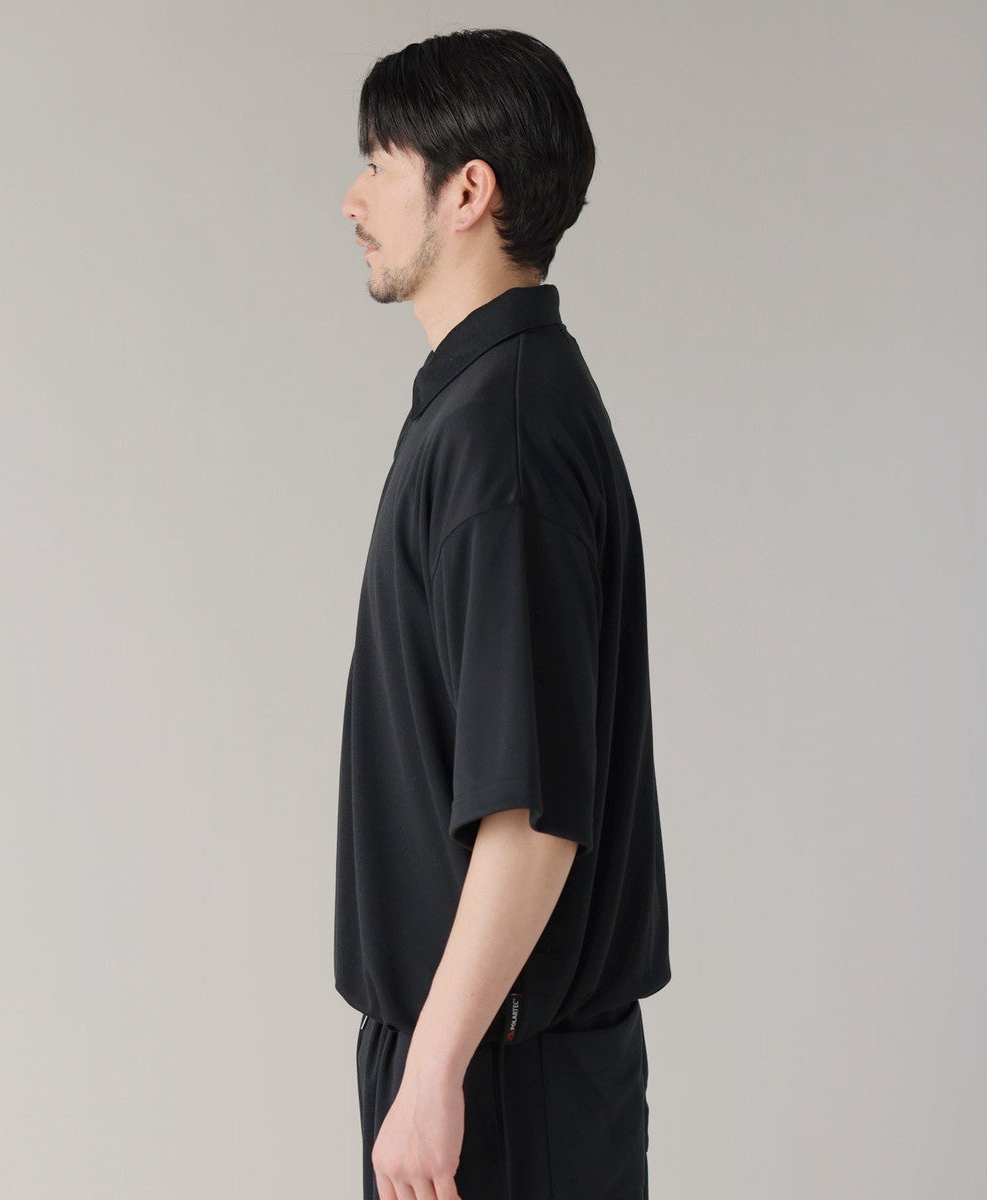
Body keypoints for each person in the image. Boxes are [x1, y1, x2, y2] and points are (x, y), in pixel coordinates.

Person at [336, 27, 671, 1200]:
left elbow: (529, 811)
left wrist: (434, 1071)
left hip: (494, 1073)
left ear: (466, 191)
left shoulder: (504, 436)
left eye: (380, 163)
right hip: (486, 1054)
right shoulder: (488, 405)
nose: (353, 200)